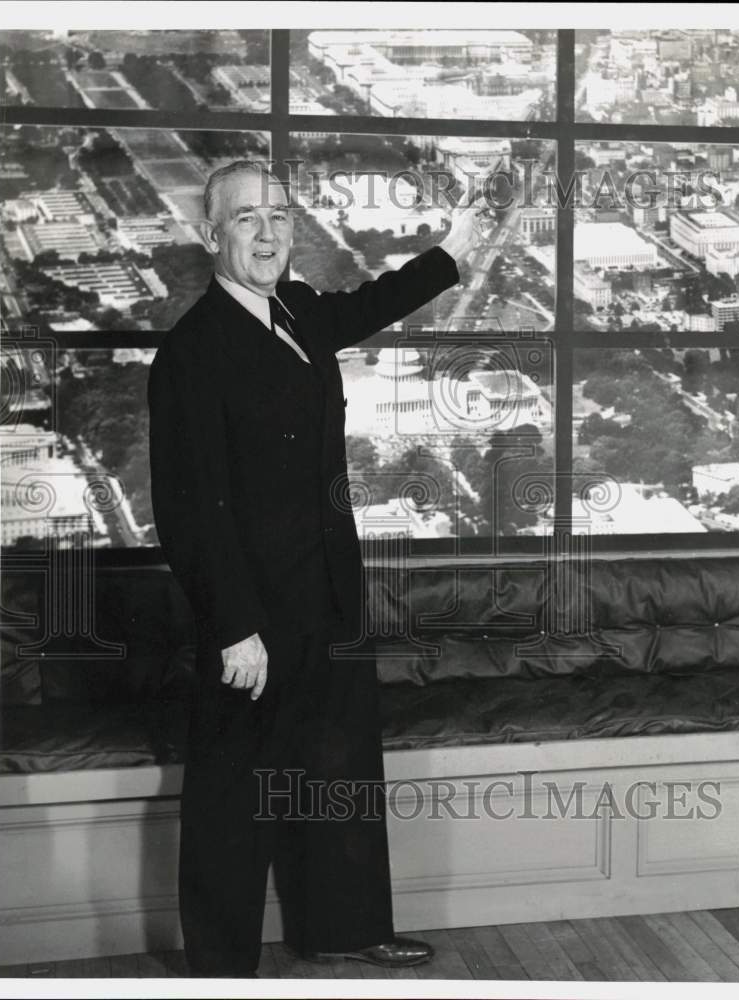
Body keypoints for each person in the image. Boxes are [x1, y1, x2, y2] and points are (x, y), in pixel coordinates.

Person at [147, 160, 489, 978]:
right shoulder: (192, 355)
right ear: (209, 236)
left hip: (329, 594)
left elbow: (365, 306)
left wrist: (450, 255)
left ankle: (343, 928)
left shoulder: (295, 309)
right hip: (254, 621)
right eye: (245, 220)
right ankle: (222, 970)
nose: (267, 234)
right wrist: (233, 628)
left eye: (279, 215)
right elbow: (190, 512)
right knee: (236, 798)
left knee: (338, 773)